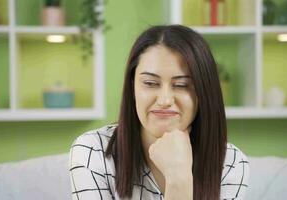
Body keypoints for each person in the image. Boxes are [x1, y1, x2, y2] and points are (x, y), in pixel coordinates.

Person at [69, 25, 249, 200]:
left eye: (181, 85)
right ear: (132, 87)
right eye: (150, 83)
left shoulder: (230, 163)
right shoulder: (93, 151)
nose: (164, 100)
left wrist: (179, 177)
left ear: (204, 92)